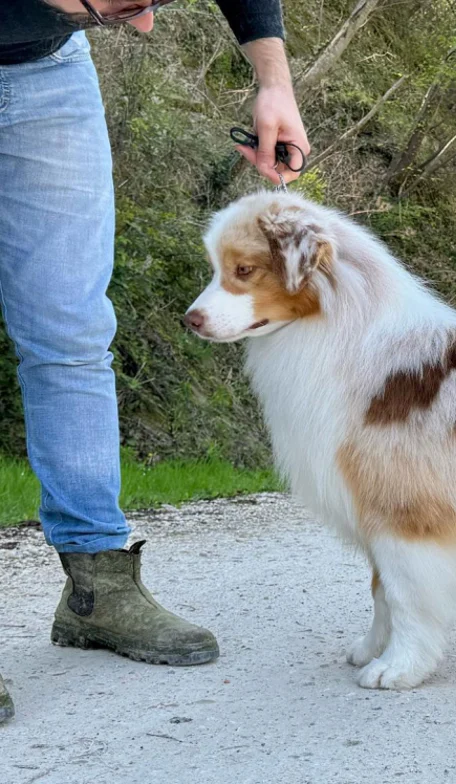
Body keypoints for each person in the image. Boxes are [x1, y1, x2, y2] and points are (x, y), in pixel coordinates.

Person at [0, 0, 310, 724]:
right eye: (124, 6)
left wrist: (274, 79)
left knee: (71, 329)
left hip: (46, 76)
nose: (142, 28)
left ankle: (96, 587)